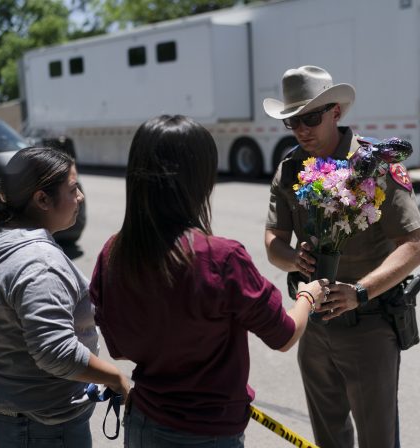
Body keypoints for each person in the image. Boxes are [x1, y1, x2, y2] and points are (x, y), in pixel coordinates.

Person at [88, 114, 330, 448]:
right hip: (208, 434)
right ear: (197, 178)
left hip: (143, 424)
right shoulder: (221, 258)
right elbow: (284, 334)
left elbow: (119, 346)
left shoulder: (112, 254)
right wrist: (308, 296)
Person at [263, 65, 420, 448]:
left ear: (335, 111)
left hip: (368, 326)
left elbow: (414, 247)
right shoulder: (291, 168)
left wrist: (360, 292)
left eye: (310, 117)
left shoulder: (376, 164)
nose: (302, 129)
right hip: (314, 324)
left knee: (377, 439)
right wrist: (292, 260)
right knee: (328, 437)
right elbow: (273, 240)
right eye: (292, 122)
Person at [0, 147, 131, 448]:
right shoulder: (38, 263)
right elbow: (55, 351)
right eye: (72, 189)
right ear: (42, 199)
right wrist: (115, 379)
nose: (80, 197)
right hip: (40, 428)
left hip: (4, 408)